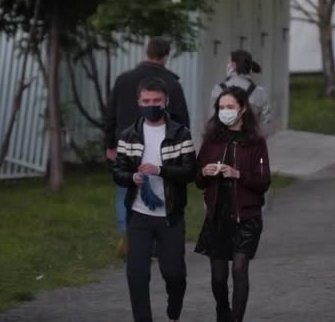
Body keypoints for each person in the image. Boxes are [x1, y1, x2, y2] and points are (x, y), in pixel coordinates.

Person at [112, 77, 196, 322]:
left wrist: (161, 170)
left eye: (157, 100)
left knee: (174, 274)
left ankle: (174, 308)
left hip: (170, 216)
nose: (152, 105)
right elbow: (118, 172)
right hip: (139, 214)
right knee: (136, 275)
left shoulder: (180, 134)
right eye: (146, 101)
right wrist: (132, 177)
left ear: (166, 101)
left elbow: (191, 172)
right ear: (138, 102)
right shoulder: (129, 136)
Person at [105, 37, 191, 254]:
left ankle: (130, 237)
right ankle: (157, 238)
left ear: (146, 53)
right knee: (163, 188)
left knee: (125, 191)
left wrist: (109, 144)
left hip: (127, 147)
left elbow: (111, 114)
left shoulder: (124, 79)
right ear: (166, 56)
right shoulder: (171, 85)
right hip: (163, 148)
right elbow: (182, 119)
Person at [194, 86, 271, 322]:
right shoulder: (211, 141)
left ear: (243, 109)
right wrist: (205, 172)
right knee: (218, 279)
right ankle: (222, 312)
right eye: (221, 108)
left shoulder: (255, 143)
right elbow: (198, 180)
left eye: (230, 107)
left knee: (239, 269)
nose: (225, 112)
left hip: (246, 216)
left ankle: (236, 319)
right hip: (218, 216)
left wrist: (238, 174)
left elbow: (263, 181)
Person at [211, 50, 271, 137]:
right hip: (250, 144)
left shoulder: (218, 89)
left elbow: (212, 122)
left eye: (228, 62)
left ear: (233, 66)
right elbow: (265, 124)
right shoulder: (259, 92)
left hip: (223, 144)